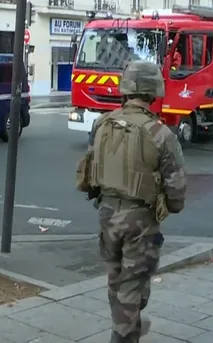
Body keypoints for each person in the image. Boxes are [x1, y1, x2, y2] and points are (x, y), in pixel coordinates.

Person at [75, 60, 186, 343]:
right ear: (154, 91)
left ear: (125, 89)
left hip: (107, 214)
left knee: (116, 283)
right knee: (132, 288)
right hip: (140, 222)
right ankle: (125, 332)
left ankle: (129, 323)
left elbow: (89, 169)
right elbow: (176, 194)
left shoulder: (102, 124)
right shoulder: (161, 134)